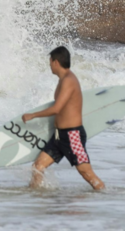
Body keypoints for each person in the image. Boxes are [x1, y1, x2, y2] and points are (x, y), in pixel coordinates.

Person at [23, 46, 105, 191]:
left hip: (72, 135)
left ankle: (105, 195)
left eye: (50, 61)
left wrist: (33, 115)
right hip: (59, 136)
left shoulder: (68, 80)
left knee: (86, 173)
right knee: (38, 167)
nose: (49, 65)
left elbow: (56, 109)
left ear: (55, 62)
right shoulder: (63, 79)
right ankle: (35, 197)